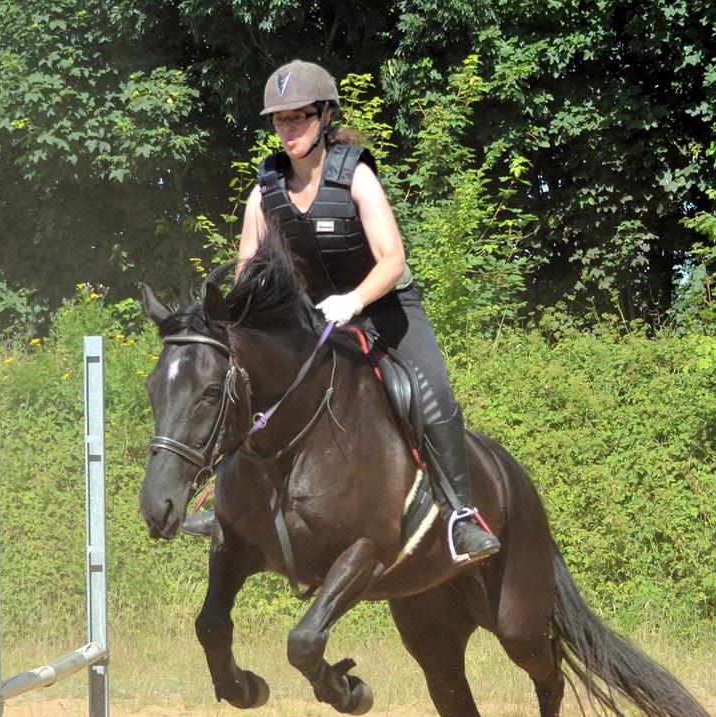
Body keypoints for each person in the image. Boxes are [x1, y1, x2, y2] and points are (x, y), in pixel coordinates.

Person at [187, 59, 499, 564]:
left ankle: (461, 514)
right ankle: (226, 505)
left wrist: (355, 300)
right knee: (245, 380)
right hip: (315, 320)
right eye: (280, 120)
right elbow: (247, 269)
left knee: (431, 393)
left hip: (385, 309)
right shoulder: (264, 193)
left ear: (325, 115)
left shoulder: (355, 174)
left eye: (299, 118)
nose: (288, 130)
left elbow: (393, 259)